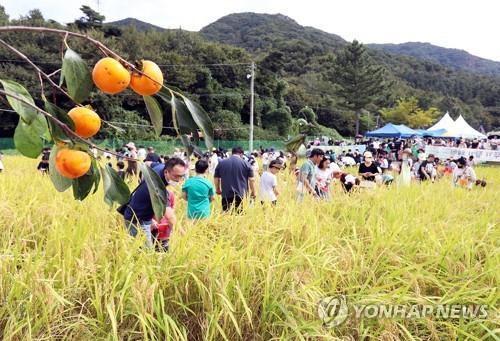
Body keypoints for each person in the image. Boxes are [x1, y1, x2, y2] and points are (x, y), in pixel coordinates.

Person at [122, 158, 185, 248]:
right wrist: (183, 234)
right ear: (166, 172)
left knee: (141, 248)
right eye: (176, 176)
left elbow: (148, 163)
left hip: (144, 214)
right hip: (136, 218)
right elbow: (169, 216)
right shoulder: (159, 187)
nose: (178, 180)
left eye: (181, 176)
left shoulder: (160, 167)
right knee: (146, 252)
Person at [214, 147, 256, 212]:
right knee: (240, 216)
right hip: (241, 194)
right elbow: (251, 180)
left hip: (226, 194)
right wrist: (253, 192)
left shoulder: (221, 163)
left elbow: (216, 178)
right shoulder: (246, 164)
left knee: (227, 215)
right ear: (241, 154)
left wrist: (218, 189)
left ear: (232, 153)